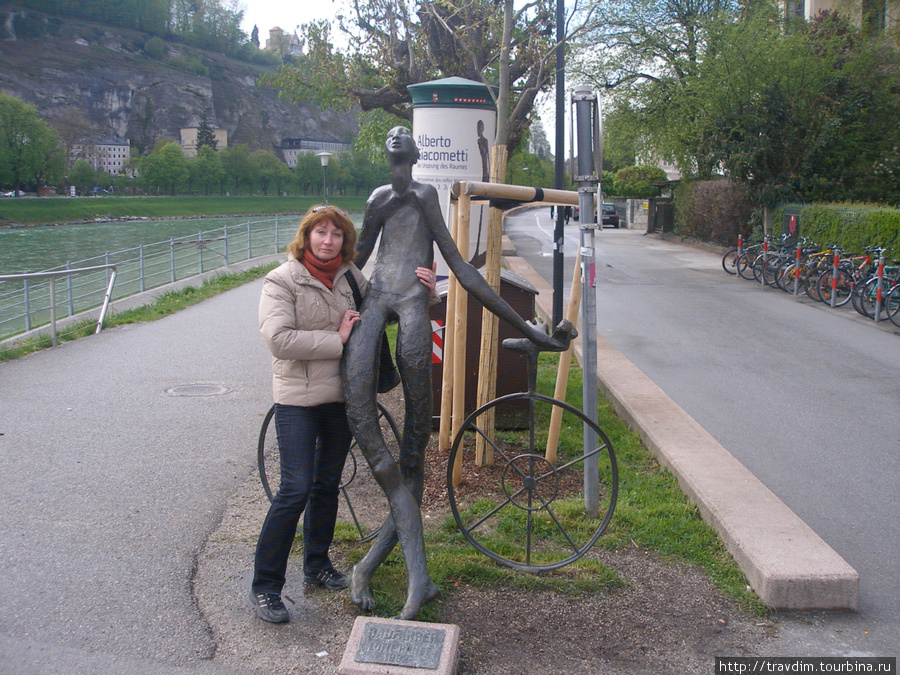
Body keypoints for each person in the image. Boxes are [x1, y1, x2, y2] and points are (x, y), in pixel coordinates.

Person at [342, 126, 575, 621]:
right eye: (393, 131)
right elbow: (352, 262)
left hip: (410, 301)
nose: (397, 131)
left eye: (406, 131)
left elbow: (461, 269)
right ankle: (403, 572)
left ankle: (389, 572)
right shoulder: (378, 198)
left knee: (413, 451)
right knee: (361, 408)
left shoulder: (425, 196)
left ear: (416, 151)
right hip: (377, 298)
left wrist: (531, 333)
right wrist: (295, 280)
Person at [250, 204, 435, 624]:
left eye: (336, 233)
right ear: (307, 237)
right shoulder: (281, 280)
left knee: (326, 485)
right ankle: (265, 587)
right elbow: (278, 339)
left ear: (344, 241)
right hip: (298, 400)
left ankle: (316, 566)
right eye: (320, 233)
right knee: (294, 488)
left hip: (339, 401)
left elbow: (385, 309)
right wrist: (338, 339)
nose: (328, 240)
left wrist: (426, 291)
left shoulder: (351, 277)